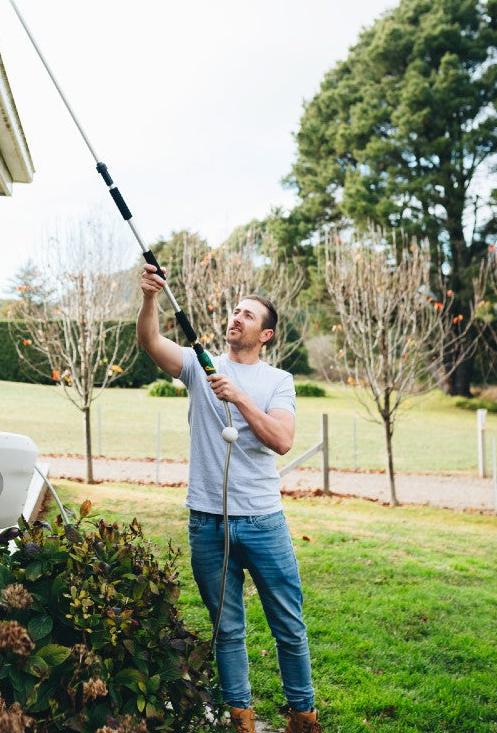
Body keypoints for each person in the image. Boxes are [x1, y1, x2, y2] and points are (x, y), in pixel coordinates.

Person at [136, 264, 320, 733]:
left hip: (263, 521)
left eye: (248, 315)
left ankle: (303, 717)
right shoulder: (198, 365)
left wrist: (238, 397)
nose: (236, 317)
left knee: (288, 626)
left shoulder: (279, 381)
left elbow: (281, 440)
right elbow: (150, 342)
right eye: (236, 311)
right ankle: (242, 719)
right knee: (228, 630)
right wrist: (150, 297)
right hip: (207, 522)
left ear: (266, 335)